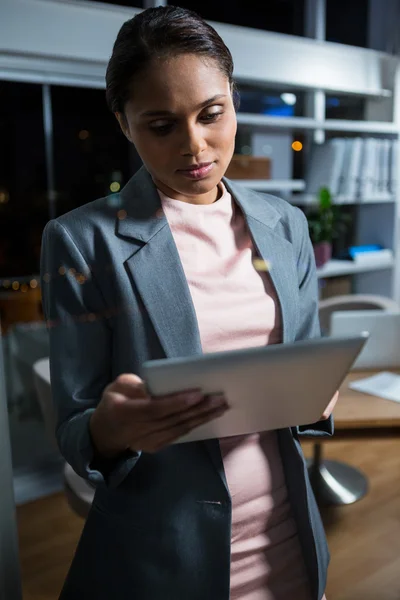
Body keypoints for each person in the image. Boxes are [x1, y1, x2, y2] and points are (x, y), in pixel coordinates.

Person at [40, 6, 337, 600]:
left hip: (289, 541)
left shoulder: (286, 223)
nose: (196, 146)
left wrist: (315, 397)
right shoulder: (80, 240)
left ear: (232, 97)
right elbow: (76, 429)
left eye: (211, 114)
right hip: (162, 557)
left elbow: (299, 375)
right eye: (161, 125)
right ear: (125, 126)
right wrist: (107, 428)